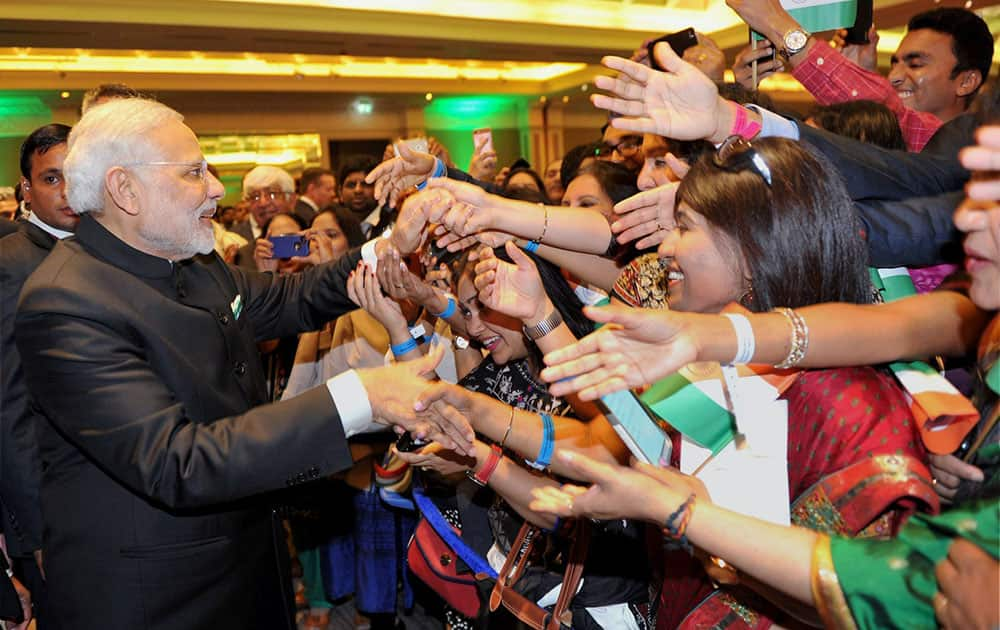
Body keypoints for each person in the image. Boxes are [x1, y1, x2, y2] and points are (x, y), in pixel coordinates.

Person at [12, 98, 473, 629]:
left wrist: (395, 244)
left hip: (249, 572)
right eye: (193, 172)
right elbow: (177, 460)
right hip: (160, 601)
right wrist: (361, 396)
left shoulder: (197, 264)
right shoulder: (65, 301)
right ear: (124, 189)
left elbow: (293, 297)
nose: (215, 189)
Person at [532, 123, 1000, 630]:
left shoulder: (849, 404)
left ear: (755, 250)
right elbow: (612, 443)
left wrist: (689, 521)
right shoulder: (710, 360)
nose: (665, 248)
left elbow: (876, 592)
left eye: (685, 227)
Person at [0, 122, 77, 630]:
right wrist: (40, 532)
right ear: (26, 189)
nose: (68, 192)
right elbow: (10, 406)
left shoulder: (112, 250)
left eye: (76, 176)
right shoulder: (12, 264)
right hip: (55, 514)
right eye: (52, 180)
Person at [729, 4, 992, 151]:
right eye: (895, 63)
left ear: (966, 81)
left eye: (916, 64)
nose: (897, 76)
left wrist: (779, 25)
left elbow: (890, 115)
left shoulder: (970, 150)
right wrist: (743, 91)